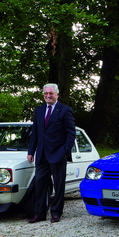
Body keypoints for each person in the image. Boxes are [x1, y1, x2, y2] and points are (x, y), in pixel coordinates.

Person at [27, 83, 76, 223]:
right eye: (45, 93)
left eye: (51, 93)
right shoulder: (39, 110)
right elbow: (35, 133)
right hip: (41, 154)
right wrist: (31, 151)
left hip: (58, 154)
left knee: (59, 185)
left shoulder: (65, 111)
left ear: (57, 95)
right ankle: (39, 213)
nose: (48, 96)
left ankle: (56, 213)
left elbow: (71, 134)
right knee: (39, 184)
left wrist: (64, 151)